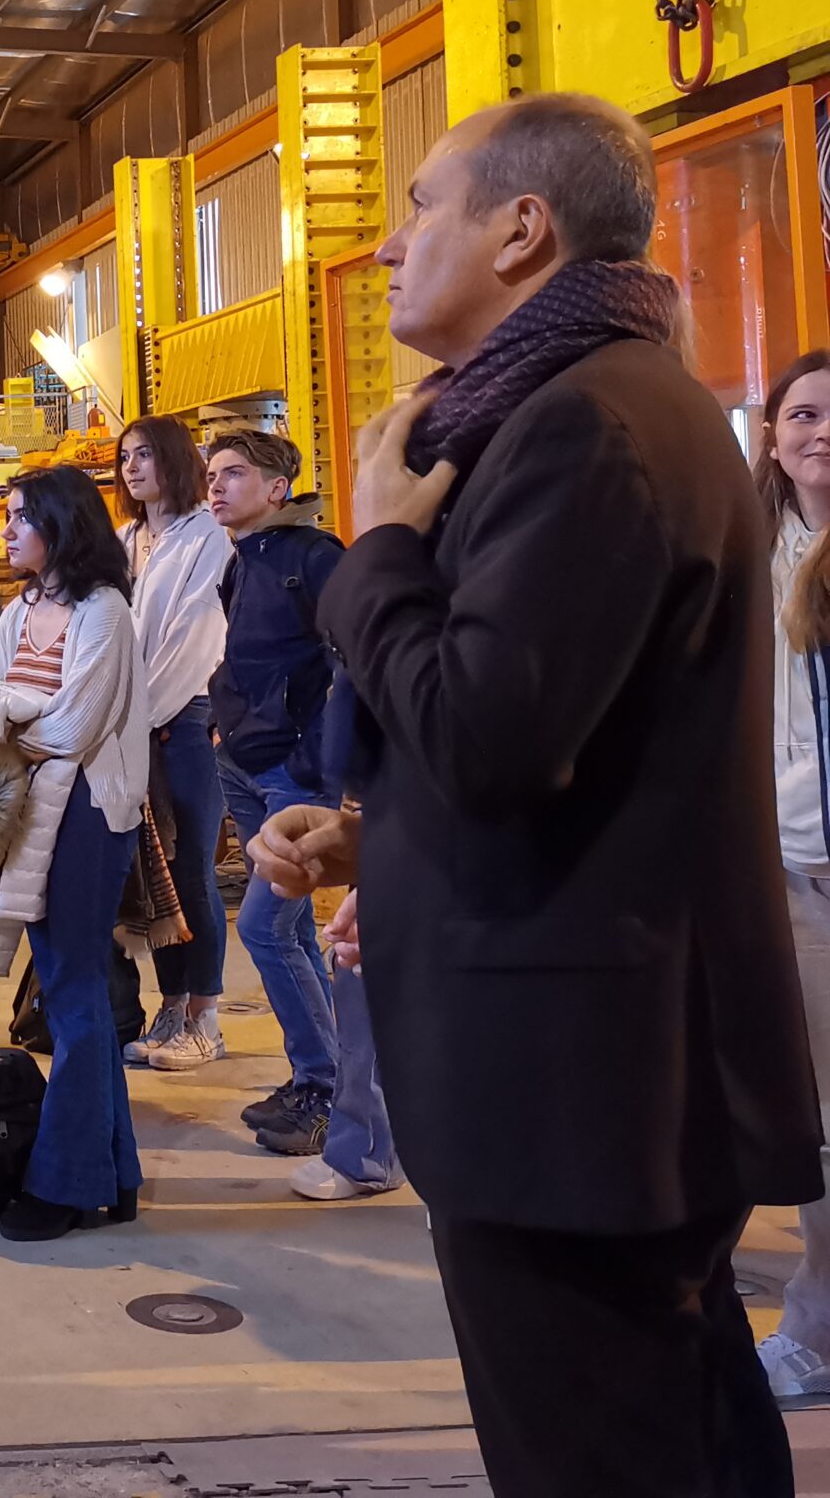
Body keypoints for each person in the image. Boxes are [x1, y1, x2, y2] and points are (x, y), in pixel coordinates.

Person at [262, 92, 820, 1496]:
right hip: (595, 1070)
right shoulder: (591, 408)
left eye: (421, 207)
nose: (392, 248)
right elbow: (577, 744)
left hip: (578, 1092)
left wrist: (375, 554)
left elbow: (493, 734)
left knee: (599, 1456)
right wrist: (378, 845)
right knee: (684, 1430)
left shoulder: (587, 428)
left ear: (524, 230)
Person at [0, 466, 150, 1240]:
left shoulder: (104, 610)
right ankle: (114, 1174)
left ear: (61, 522)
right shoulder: (22, 609)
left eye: (20, 517)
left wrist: (3, 733)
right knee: (67, 991)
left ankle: (64, 1183)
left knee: (75, 1000)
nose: (7, 530)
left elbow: (73, 728)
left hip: (86, 813)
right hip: (36, 810)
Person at [204, 429, 346, 1157]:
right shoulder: (243, 564)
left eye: (234, 473)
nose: (217, 485)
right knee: (287, 932)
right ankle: (320, 1081)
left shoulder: (314, 561)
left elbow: (350, 667)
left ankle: (326, 1088)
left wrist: (320, 762)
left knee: (263, 928)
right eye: (212, 474)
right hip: (247, 764)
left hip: (293, 773)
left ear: (276, 488)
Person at [112, 415, 234, 1072]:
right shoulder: (124, 539)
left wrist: (133, 718)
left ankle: (205, 1018)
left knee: (191, 870)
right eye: (125, 456)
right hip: (130, 728)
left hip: (184, 721)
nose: (132, 467)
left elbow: (191, 643)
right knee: (150, 872)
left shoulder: (206, 537)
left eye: (146, 454)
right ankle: (170, 1006)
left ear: (176, 460)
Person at [756, 352, 830, 1401]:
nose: (820, 430)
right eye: (801, 413)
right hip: (767, 870)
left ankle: (813, 1330)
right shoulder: (745, 550)